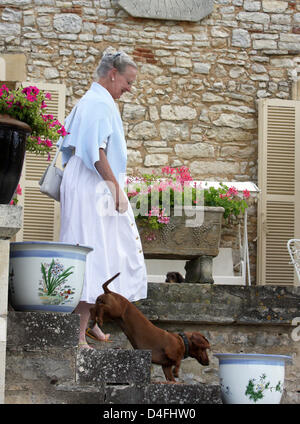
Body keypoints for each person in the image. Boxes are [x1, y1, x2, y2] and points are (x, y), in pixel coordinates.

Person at [58, 51, 148, 349]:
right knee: (91, 254)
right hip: (90, 186)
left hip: (90, 185)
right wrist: (115, 189)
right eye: (128, 81)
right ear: (113, 73)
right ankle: (78, 333)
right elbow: (95, 153)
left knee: (107, 251)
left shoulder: (96, 100)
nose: (129, 88)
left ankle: (93, 321)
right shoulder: (96, 103)